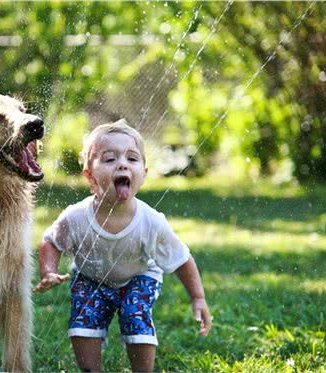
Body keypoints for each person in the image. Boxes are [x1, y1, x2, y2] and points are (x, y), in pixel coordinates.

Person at [34, 120, 212, 372]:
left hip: (139, 276)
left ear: (143, 173)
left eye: (132, 158)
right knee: (83, 322)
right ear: (90, 176)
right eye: (109, 159)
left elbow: (182, 259)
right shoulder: (75, 217)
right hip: (90, 277)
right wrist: (49, 271)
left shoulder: (151, 222)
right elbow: (51, 241)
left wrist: (198, 297)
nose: (122, 164)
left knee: (134, 312)